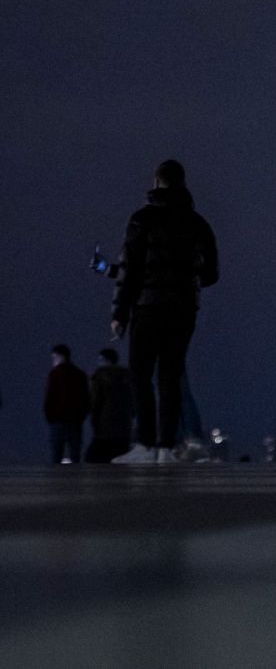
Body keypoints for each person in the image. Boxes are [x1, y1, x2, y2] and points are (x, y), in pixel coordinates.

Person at [110, 160, 219, 465]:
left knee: (140, 375)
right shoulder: (198, 224)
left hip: (147, 306)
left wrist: (119, 312)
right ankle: (165, 447)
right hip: (183, 309)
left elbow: (129, 269)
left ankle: (145, 444)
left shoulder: (141, 220)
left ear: (156, 182)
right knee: (170, 376)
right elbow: (211, 274)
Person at [86, 348, 134, 463]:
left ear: (107, 360)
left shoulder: (100, 375)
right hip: (124, 429)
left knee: (95, 460)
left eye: (100, 360)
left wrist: (94, 421)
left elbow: (95, 402)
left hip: (104, 428)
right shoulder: (128, 376)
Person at [43, 345, 89, 464]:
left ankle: (56, 481)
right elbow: (85, 398)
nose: (54, 361)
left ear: (61, 357)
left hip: (57, 420)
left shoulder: (55, 374)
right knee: (75, 456)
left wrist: (49, 416)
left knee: (56, 456)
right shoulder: (79, 374)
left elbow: (50, 397)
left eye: (55, 357)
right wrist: (81, 416)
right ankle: (76, 480)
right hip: (75, 421)